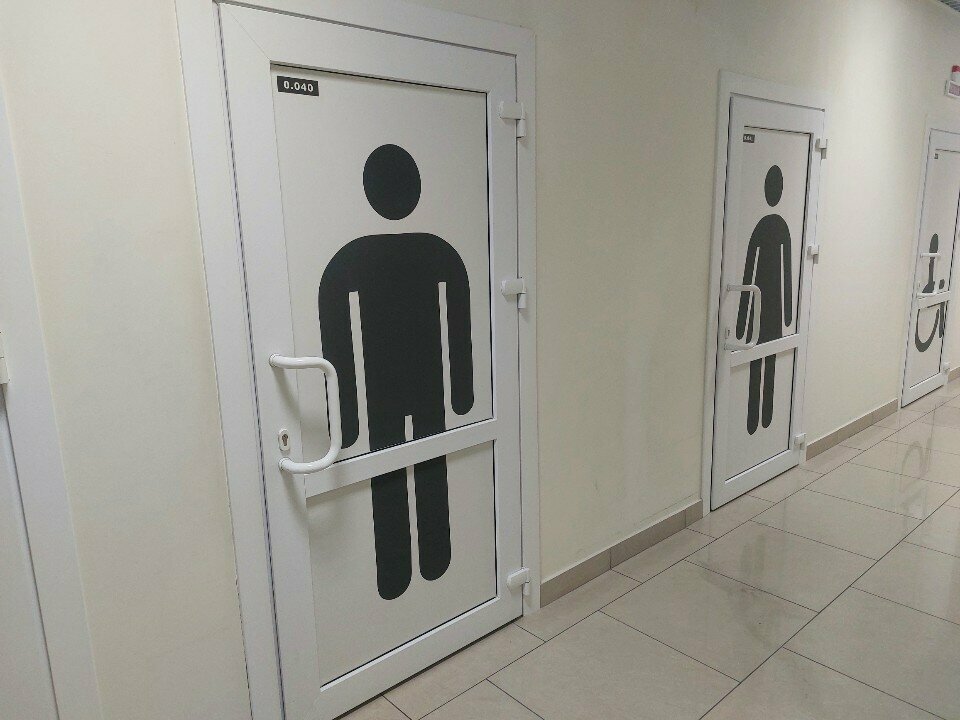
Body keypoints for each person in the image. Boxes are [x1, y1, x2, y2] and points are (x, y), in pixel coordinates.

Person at [318, 144, 474, 600]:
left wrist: (347, 419)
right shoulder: (437, 251)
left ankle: (396, 574)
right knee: (428, 469)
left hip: (381, 392)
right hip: (426, 388)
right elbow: (459, 319)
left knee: (392, 475)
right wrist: (461, 394)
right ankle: (434, 560)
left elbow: (335, 333)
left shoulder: (351, 258)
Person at [736, 165, 793, 435]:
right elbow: (785, 274)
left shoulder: (764, 227)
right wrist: (788, 314)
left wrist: (741, 321)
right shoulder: (779, 227)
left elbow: (750, 272)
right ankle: (762, 417)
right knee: (764, 360)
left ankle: (757, 420)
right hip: (772, 306)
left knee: (762, 360)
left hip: (761, 306)